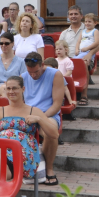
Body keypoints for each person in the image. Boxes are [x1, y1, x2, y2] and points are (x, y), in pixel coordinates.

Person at [21, 53, 63, 186]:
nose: (33, 75)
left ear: (42, 65)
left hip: (48, 113)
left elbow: (57, 104)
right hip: (28, 114)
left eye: (36, 71)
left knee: (50, 130)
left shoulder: (55, 74)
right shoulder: (23, 76)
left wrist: (40, 118)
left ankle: (49, 168)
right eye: (30, 72)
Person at [0, 32, 26, 97]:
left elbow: (22, 82)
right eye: (1, 43)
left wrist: (9, 87)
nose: (3, 46)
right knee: (3, 89)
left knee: (5, 93)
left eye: (6, 43)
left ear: (12, 44)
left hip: (14, 90)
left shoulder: (21, 62)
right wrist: (4, 86)